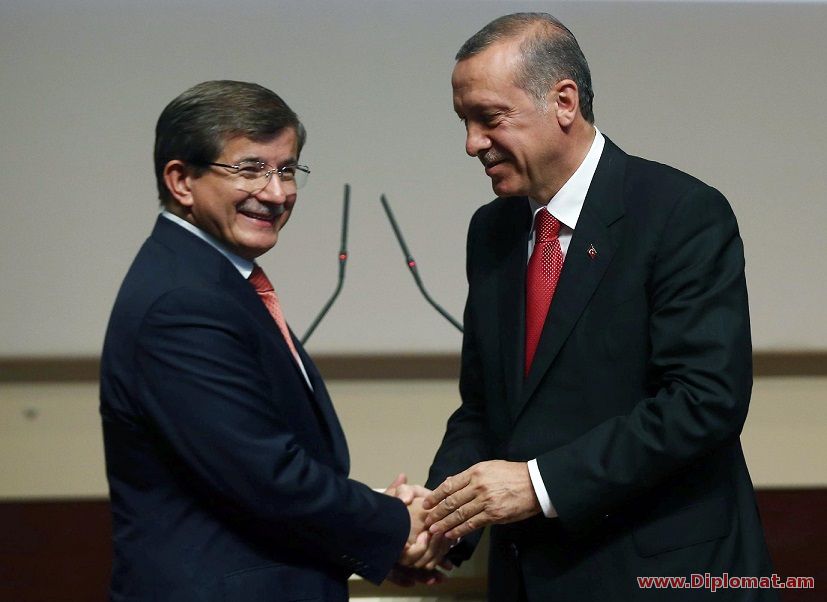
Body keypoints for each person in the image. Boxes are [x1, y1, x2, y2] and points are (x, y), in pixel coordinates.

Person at [420, 13, 777, 601]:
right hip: (531, 579)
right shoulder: (492, 232)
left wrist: (539, 485)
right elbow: (485, 411)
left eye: (490, 118)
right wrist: (439, 521)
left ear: (563, 102)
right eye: (465, 121)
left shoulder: (679, 213)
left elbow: (703, 401)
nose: (472, 143)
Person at [99, 80, 435, 601]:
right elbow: (265, 477)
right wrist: (396, 524)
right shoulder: (182, 302)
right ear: (181, 180)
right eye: (250, 169)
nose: (277, 194)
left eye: (287, 170)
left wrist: (376, 519)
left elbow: (252, 467)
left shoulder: (211, 281)